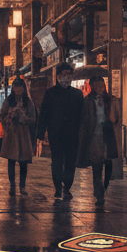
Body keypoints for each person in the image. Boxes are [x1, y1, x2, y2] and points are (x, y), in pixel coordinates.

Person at [37, 64, 84, 201]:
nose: (67, 77)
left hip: (72, 134)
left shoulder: (77, 94)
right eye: (64, 74)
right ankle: (58, 187)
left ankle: (67, 187)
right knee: (57, 161)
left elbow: (82, 115)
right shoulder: (50, 93)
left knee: (70, 162)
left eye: (69, 75)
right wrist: (41, 133)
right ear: (58, 76)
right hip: (55, 133)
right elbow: (44, 114)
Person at [76, 75, 124, 207]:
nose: (99, 88)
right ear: (91, 87)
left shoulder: (112, 100)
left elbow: (118, 119)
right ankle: (99, 193)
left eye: (101, 85)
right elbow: (84, 120)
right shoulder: (87, 101)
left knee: (108, 166)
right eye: (96, 86)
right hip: (94, 137)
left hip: (108, 136)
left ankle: (103, 188)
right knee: (97, 167)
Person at [0, 78, 37, 195]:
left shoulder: (28, 101)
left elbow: (33, 118)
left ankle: (22, 187)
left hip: (23, 135)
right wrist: (9, 116)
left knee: (23, 162)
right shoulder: (9, 100)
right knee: (11, 161)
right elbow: (1, 115)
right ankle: (12, 186)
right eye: (16, 90)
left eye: (20, 91)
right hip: (11, 133)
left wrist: (23, 117)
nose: (18, 93)